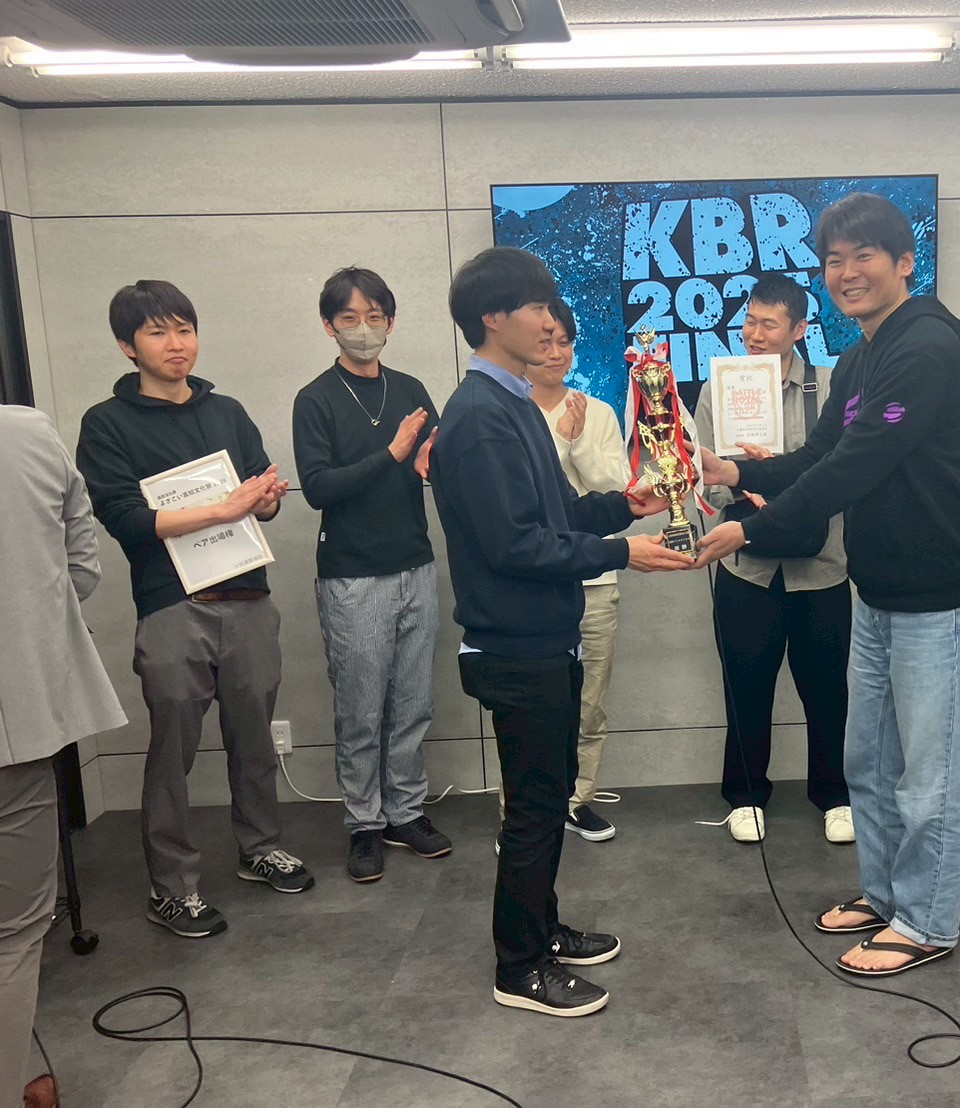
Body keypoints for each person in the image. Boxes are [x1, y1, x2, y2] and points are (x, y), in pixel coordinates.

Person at [696, 193, 960, 978]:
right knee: (869, 761)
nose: (846, 272)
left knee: (927, 776)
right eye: (833, 259)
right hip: (878, 588)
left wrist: (751, 530)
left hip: (939, 593)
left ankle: (926, 922)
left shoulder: (924, 348)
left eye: (863, 255)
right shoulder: (862, 355)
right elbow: (820, 452)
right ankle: (888, 895)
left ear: (904, 262)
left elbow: (857, 465)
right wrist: (734, 471)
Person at [430, 247, 691, 1016]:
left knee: (543, 804)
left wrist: (623, 507)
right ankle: (519, 967)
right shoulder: (480, 416)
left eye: (551, 307)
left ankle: (542, 929)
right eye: (537, 307)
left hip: (545, 637)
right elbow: (515, 547)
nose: (551, 322)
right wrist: (622, 553)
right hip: (516, 646)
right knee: (534, 810)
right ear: (492, 317)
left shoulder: (511, 402)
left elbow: (550, 518)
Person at [77, 280, 314, 940]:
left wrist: (266, 499)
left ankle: (260, 847)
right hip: (171, 606)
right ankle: (173, 887)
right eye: (157, 332)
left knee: (254, 738)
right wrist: (224, 508)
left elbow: (264, 494)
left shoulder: (227, 411)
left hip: (248, 597)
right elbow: (126, 519)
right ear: (128, 346)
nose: (176, 343)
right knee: (172, 753)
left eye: (184, 328)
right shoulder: (107, 423)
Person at [293, 266, 448, 883]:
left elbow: (434, 460)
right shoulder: (316, 399)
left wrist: (431, 459)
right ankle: (364, 823)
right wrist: (392, 453)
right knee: (360, 708)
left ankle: (406, 811)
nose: (364, 329)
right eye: (351, 318)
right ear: (329, 326)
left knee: (413, 702)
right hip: (352, 576)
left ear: (391, 322)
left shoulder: (410, 388)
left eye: (375, 317)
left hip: (415, 563)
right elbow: (319, 488)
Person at [693, 273, 852, 844]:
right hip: (746, 567)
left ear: (799, 329)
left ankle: (835, 795)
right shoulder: (718, 389)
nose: (754, 334)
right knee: (746, 686)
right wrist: (742, 487)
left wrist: (779, 482)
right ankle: (744, 795)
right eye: (749, 322)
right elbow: (704, 478)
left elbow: (845, 469)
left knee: (828, 690)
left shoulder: (830, 387)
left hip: (821, 566)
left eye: (769, 324)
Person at [0, 405, 126, 1108]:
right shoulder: (25, 433)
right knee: (14, 934)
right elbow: (80, 564)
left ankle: (20, 1069)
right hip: (15, 723)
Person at [524, 299, 629, 843]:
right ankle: (522, 812)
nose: (555, 352)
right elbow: (535, 503)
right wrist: (559, 442)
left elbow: (616, 493)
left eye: (564, 342)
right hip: (536, 586)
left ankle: (577, 799)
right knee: (534, 712)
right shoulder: (510, 414)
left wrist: (576, 442)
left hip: (595, 580)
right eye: (545, 341)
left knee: (590, 704)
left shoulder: (600, 412)